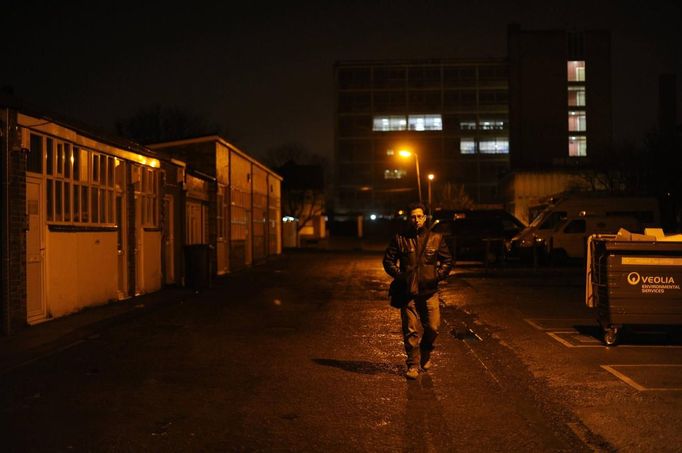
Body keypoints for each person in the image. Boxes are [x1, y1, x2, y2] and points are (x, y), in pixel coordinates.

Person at [383, 202, 453, 379]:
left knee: (434, 327)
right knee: (410, 330)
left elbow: (447, 261)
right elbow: (388, 261)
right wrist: (401, 276)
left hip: (430, 291)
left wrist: (437, 276)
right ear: (409, 218)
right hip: (408, 293)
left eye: (419, 216)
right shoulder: (399, 238)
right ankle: (412, 365)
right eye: (413, 216)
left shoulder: (436, 238)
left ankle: (426, 350)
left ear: (425, 217)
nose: (416, 220)